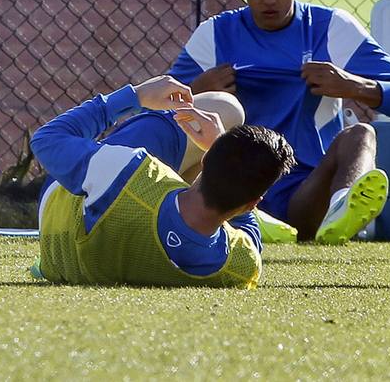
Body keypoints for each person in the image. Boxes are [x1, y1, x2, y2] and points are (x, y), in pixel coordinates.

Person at [171, 0, 390, 244]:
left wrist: (352, 86)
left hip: (306, 197)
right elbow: (154, 112)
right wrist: (195, 91)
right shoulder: (215, 34)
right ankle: (250, 220)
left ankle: (341, 210)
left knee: (361, 134)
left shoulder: (331, 28)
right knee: (199, 123)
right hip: (233, 194)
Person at [32, 75, 294, 287]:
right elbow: (250, 239)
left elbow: (46, 139)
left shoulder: (130, 173)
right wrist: (220, 151)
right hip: (64, 261)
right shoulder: (239, 268)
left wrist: (136, 96)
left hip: (62, 209)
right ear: (252, 205)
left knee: (228, 108)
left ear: (206, 159)